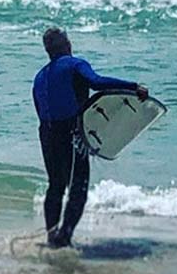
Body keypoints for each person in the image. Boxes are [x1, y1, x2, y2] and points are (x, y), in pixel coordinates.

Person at [32, 27, 148, 248]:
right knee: (79, 187)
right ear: (68, 44)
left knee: (55, 185)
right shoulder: (75, 64)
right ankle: (64, 238)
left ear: (48, 51)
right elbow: (96, 82)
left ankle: (52, 235)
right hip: (71, 133)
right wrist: (133, 87)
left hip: (46, 134)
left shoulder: (39, 77)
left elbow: (40, 109)